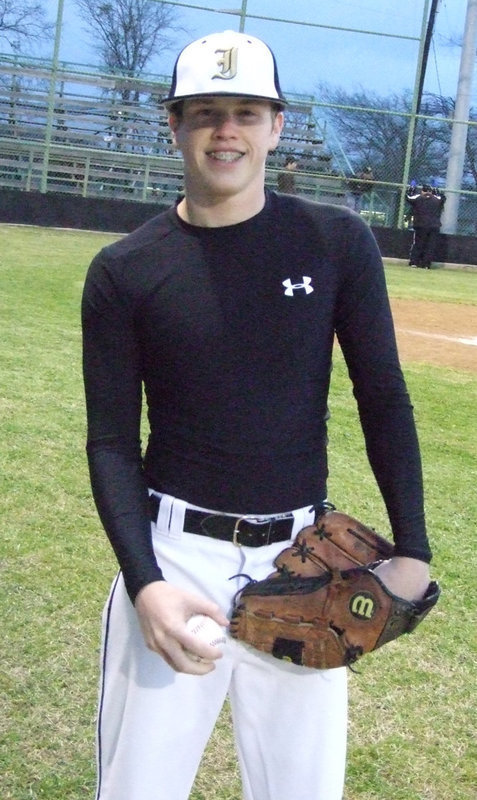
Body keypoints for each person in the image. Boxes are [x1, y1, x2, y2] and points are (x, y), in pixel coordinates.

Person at [82, 30, 434, 800]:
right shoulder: (126, 269)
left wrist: (412, 546)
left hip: (303, 568)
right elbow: (111, 441)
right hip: (174, 559)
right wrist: (144, 583)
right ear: (172, 125)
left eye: (246, 110)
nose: (225, 130)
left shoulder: (333, 240)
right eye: (204, 112)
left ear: (277, 126)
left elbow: (381, 395)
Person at [406, 183, 446, 268]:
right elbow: (442, 198)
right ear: (431, 191)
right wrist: (437, 191)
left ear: (422, 191)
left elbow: (408, 197)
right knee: (430, 245)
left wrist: (411, 188)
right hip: (434, 226)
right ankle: (426, 264)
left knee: (418, 244)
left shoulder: (418, 198)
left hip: (420, 225)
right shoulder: (437, 200)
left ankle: (414, 262)